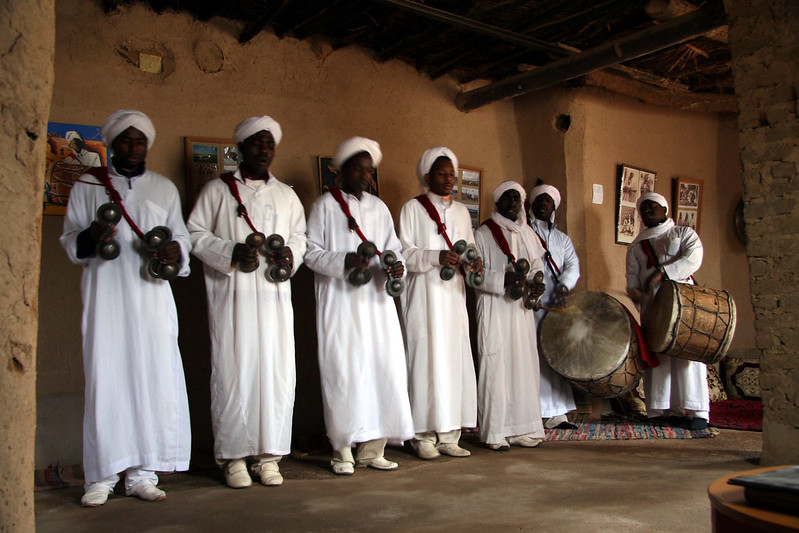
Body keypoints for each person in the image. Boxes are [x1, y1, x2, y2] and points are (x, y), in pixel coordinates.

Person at [60, 109, 191, 507]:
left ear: (147, 145)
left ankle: (142, 473)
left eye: (139, 141)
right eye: (125, 141)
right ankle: (101, 474)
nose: (133, 147)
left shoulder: (164, 188)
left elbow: (182, 239)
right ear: (112, 144)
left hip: (151, 299)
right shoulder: (87, 184)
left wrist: (175, 249)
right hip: (107, 298)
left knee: (152, 379)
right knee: (107, 377)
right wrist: (91, 234)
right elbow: (70, 242)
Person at [187, 116, 307, 488]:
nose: (263, 150)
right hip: (233, 298)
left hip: (273, 298)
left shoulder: (287, 195)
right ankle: (234, 457)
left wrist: (290, 254)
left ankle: (269, 455)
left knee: (274, 371)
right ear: (239, 149)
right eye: (255, 143)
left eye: (269, 144)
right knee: (234, 370)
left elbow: (300, 236)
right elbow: (195, 233)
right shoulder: (216, 192)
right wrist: (230, 252)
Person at [305, 137, 414, 475]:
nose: (365, 176)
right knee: (344, 371)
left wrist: (397, 266)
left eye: (369, 171)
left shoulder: (379, 209)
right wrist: (346, 260)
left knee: (382, 369)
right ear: (341, 170)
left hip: (377, 304)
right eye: (359, 169)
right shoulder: (324, 206)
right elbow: (309, 253)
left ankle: (372, 448)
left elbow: (393, 249)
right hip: (340, 305)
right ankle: (342, 451)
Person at [398, 146, 480, 460]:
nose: (449, 179)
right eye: (443, 173)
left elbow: (470, 248)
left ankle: (449, 434)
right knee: (425, 359)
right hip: (424, 296)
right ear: (428, 175)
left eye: (452, 174)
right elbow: (403, 254)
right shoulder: (412, 209)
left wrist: (474, 263)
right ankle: (422, 435)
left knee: (454, 359)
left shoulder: (461, 212)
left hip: (453, 296)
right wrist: (435, 257)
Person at [474, 181, 547, 450]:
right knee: (496, 366)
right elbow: (474, 275)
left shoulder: (528, 234)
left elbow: (538, 268)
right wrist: (502, 279)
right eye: (507, 197)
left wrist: (537, 285)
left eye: (517, 198)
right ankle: (495, 432)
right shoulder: (482, 233)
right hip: (495, 309)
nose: (513, 202)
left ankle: (522, 428)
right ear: (497, 202)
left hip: (520, 312)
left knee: (522, 366)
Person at [626, 192, 708, 430]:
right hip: (653, 306)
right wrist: (634, 291)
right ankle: (664, 410)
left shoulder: (683, 233)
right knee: (660, 355)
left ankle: (696, 411)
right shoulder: (637, 245)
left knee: (686, 353)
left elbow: (693, 258)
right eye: (644, 209)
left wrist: (663, 273)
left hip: (683, 300)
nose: (648, 212)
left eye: (653, 207)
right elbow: (631, 275)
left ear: (665, 210)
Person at [527, 184, 579, 430]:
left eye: (548, 201)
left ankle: (557, 413)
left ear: (554, 207)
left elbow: (572, 266)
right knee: (533, 354)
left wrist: (563, 287)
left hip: (555, 302)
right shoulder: (524, 232)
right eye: (539, 200)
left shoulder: (562, 239)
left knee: (555, 352)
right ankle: (533, 411)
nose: (543, 204)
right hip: (531, 302)